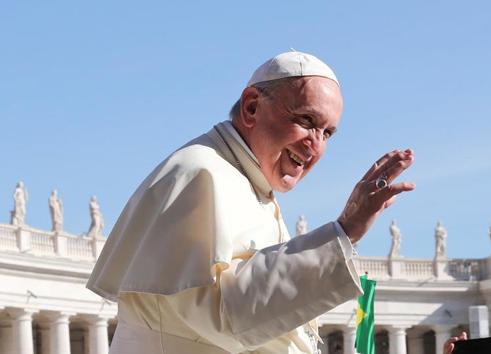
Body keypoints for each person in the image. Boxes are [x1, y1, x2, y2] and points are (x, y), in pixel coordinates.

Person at [87, 51, 415, 354]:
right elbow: (228, 315)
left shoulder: (249, 184)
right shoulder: (199, 173)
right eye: (306, 121)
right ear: (252, 107)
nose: (315, 146)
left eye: (327, 133)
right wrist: (346, 228)